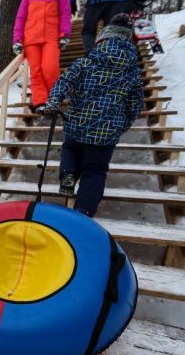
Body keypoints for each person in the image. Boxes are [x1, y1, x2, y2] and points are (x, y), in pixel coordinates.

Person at [43, 14, 143, 217]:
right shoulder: (132, 72)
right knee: (95, 172)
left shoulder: (85, 62)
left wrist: (54, 101)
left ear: (101, 40)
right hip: (106, 133)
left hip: (77, 123)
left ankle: (68, 174)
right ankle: (84, 212)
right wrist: (123, 124)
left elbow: (64, 81)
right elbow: (135, 104)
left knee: (70, 148)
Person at [12, 0, 72, 111]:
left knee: (50, 68)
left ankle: (54, 98)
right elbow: (20, 18)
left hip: (51, 37)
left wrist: (65, 34)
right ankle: (40, 102)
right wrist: (17, 40)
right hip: (31, 39)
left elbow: (65, 13)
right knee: (36, 71)